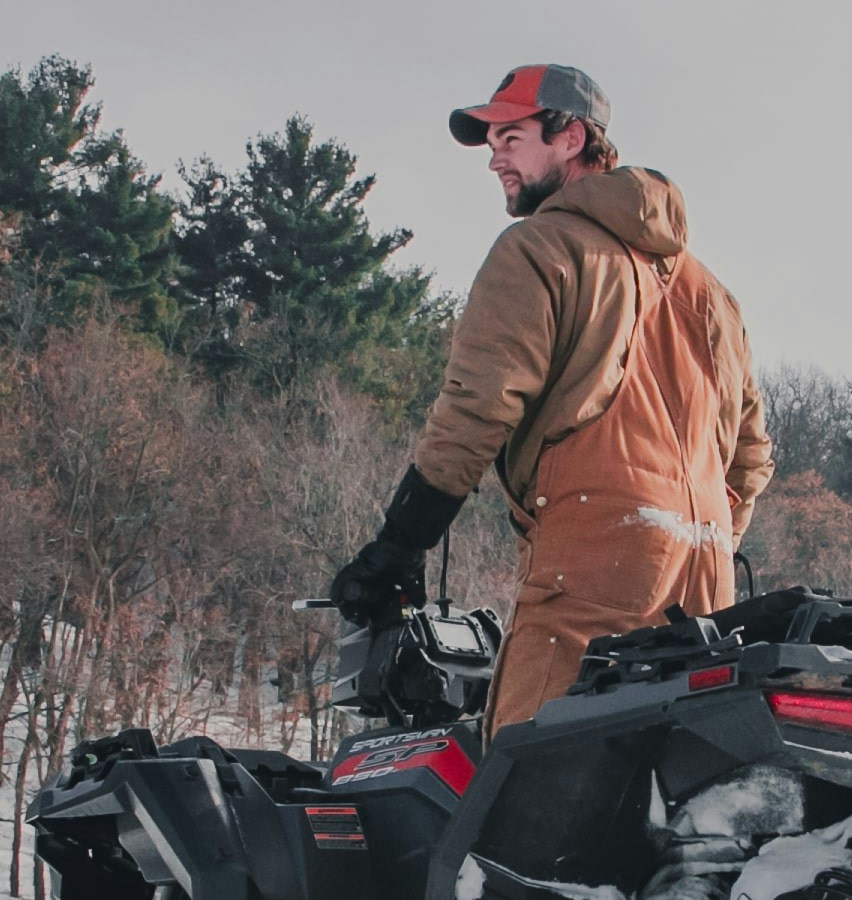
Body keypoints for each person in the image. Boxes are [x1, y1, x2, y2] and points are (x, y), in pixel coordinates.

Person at [329, 63, 771, 733]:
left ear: (571, 138)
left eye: (511, 138)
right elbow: (751, 457)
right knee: (660, 779)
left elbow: (479, 405)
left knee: (526, 762)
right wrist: (700, 533)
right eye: (491, 144)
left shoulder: (538, 248)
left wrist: (399, 544)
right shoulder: (711, 293)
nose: (495, 160)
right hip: (708, 580)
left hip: (595, 560)